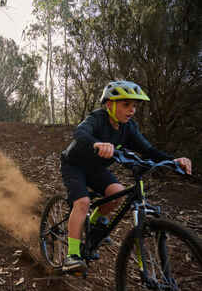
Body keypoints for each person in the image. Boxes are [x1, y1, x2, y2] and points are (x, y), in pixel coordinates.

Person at [60, 80, 192, 272]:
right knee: (82, 202)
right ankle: (72, 255)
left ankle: (95, 225)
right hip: (75, 165)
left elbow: (148, 150)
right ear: (109, 104)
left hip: (96, 169)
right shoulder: (97, 118)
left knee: (118, 193)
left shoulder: (128, 127)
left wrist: (174, 160)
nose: (131, 110)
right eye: (126, 104)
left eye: (134, 106)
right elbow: (80, 132)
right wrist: (97, 144)